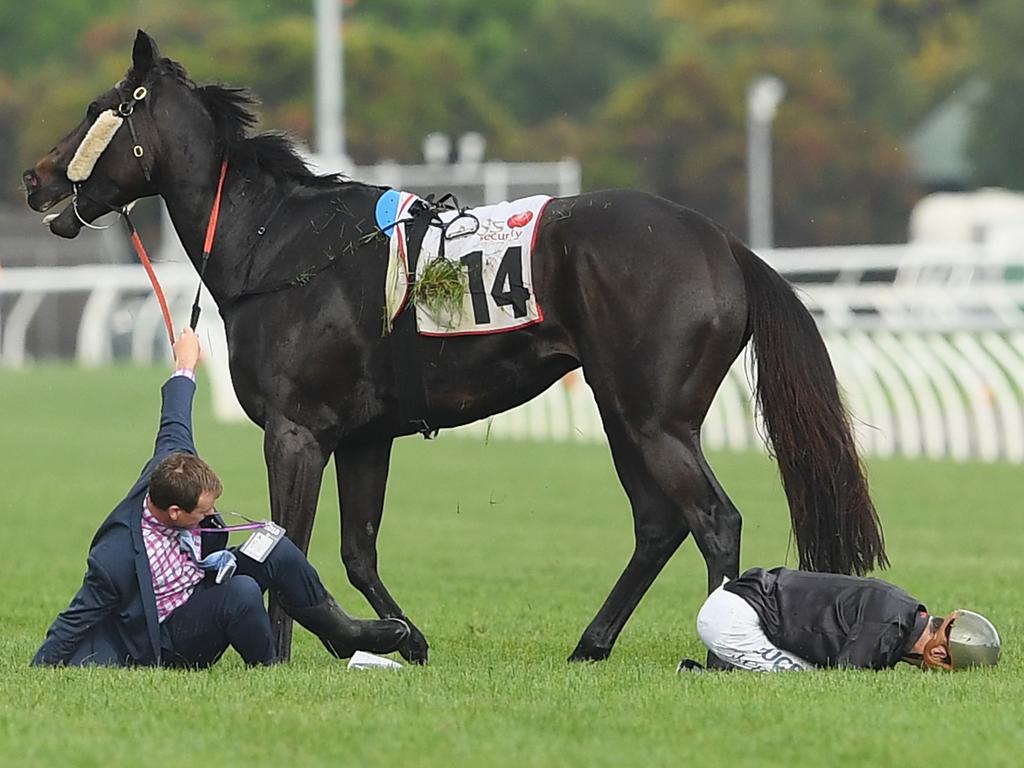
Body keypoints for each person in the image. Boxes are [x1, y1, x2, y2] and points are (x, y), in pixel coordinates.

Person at [33, 328, 409, 668]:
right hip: (175, 639)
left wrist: (185, 360)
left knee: (273, 543)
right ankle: (269, 668)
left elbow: (175, 415)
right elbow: (76, 617)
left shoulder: (173, 462)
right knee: (241, 591)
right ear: (176, 512)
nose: (214, 514)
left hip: (204, 580)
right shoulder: (114, 557)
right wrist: (42, 666)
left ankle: (341, 632)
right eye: (205, 511)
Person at [681, 567, 1001, 672]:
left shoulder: (903, 609)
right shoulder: (887, 627)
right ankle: (697, 676)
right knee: (802, 683)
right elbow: (846, 676)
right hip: (734, 617)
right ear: (940, 654)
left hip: (744, 600)